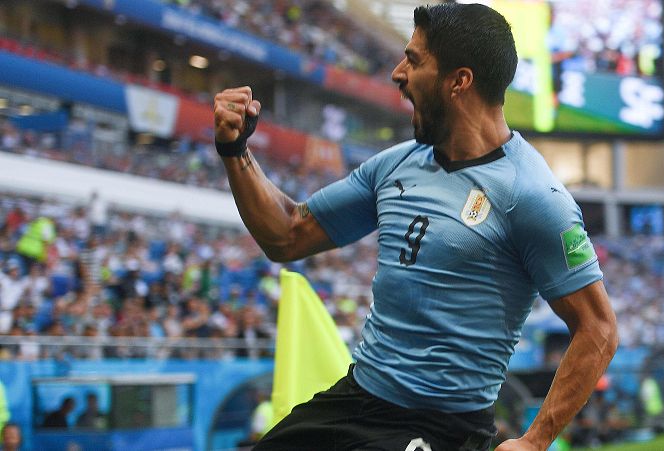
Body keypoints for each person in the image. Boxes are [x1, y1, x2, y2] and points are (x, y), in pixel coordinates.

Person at [213, 4, 618, 450]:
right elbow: (287, 234)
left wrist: (535, 440)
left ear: (458, 81)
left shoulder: (534, 196)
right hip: (355, 402)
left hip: (444, 429)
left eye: (414, 59)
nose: (397, 72)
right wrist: (235, 151)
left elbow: (598, 328)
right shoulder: (395, 166)